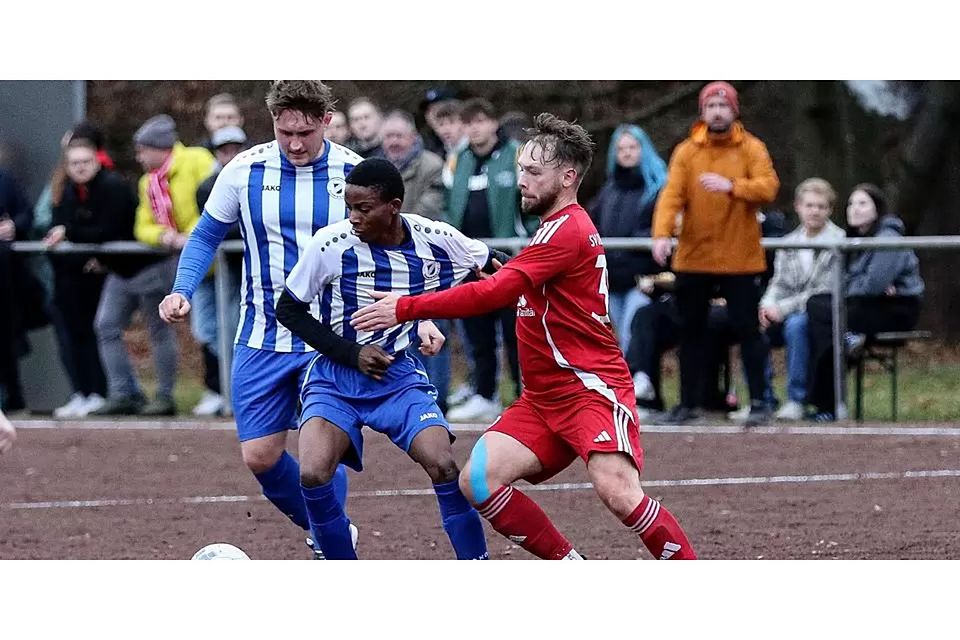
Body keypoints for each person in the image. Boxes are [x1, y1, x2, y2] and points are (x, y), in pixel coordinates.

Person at [353, 114, 697, 560]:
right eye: (521, 170)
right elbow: (515, 279)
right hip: (543, 399)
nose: (521, 181)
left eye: (534, 172)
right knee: (477, 480)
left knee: (619, 493)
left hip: (589, 389)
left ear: (567, 177)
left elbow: (497, 291)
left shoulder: (570, 228)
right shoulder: (551, 228)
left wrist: (405, 306)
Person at [158, 81, 360, 558]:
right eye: (284, 130)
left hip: (329, 339)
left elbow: (395, 248)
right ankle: (333, 529)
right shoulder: (244, 169)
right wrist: (181, 288)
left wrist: (420, 317)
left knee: (318, 459)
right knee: (260, 456)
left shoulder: (355, 172)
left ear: (326, 122)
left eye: (305, 132)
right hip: (261, 335)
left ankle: (336, 552)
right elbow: (205, 235)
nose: (294, 142)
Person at [275, 157, 491, 560]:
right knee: (312, 473)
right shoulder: (330, 244)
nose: (353, 217)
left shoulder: (435, 237)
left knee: (444, 465)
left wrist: (426, 314)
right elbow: (288, 310)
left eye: (363, 208)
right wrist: (352, 353)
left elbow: (490, 265)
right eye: (349, 207)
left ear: (393, 206)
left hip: (398, 376)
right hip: (334, 378)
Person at [651, 81, 780, 427]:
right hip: (694, 257)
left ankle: (760, 404)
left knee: (748, 331)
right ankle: (688, 404)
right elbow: (671, 196)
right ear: (702, 112)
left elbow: (769, 187)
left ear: (734, 111)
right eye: (711, 106)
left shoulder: (752, 148)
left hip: (740, 257)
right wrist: (662, 234)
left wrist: (734, 187)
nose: (717, 112)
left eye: (723, 106)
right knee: (690, 332)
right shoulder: (687, 152)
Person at [114, 114, 215, 416]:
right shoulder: (148, 182)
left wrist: (192, 235)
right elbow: (142, 226)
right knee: (201, 329)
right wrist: (165, 236)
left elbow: (218, 204)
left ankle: (223, 392)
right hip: (179, 261)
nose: (139, 157)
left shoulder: (196, 160)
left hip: (212, 259)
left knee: (216, 329)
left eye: (142, 150)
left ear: (158, 148)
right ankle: (209, 391)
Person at [805, 183, 924, 421]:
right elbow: (845, 285)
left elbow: (872, 286)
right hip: (865, 305)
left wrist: (861, 285)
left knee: (825, 313)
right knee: (819, 308)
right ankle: (847, 344)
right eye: (851, 203)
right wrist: (859, 284)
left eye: (862, 203)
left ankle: (826, 405)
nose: (855, 209)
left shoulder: (888, 239)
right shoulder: (853, 241)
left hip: (896, 309)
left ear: (876, 209)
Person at [443, 97, 529, 421]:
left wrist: (529, 237)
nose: (475, 128)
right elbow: (449, 207)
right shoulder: (456, 160)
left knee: (516, 333)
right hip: (469, 261)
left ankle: (525, 395)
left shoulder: (516, 154)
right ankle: (484, 394)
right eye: (470, 123)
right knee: (477, 333)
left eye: (481, 121)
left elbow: (529, 202)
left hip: (511, 259)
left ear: (494, 123)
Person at [44, 138, 131, 417]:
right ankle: (81, 391)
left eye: (85, 162)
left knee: (98, 331)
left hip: (100, 276)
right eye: (74, 163)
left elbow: (109, 229)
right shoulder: (64, 191)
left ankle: (100, 390)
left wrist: (70, 232)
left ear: (96, 161)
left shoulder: (112, 187)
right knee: (70, 335)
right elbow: (58, 225)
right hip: (69, 276)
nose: (80, 168)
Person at [758, 178, 845, 421]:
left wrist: (781, 309)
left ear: (829, 209)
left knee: (797, 325)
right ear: (798, 206)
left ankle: (797, 399)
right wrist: (766, 305)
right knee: (752, 325)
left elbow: (822, 291)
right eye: (809, 205)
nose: (815, 211)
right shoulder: (787, 244)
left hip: (817, 315)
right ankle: (761, 398)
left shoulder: (839, 242)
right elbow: (779, 283)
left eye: (821, 206)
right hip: (785, 309)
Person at [588, 124, 667, 353]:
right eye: (621, 148)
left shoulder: (659, 189)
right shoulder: (608, 191)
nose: (627, 152)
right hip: (612, 279)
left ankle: (636, 384)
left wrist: (633, 242)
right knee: (619, 341)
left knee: (632, 337)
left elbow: (659, 228)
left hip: (642, 279)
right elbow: (593, 226)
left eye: (633, 147)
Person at [190, 125, 249, 417]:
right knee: (216, 329)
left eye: (236, 148)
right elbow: (217, 231)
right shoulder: (207, 187)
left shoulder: (258, 179)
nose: (231, 155)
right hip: (225, 270)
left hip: (255, 271)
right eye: (224, 150)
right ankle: (227, 391)